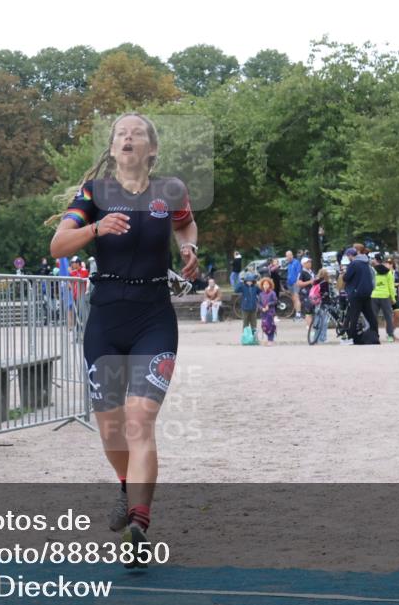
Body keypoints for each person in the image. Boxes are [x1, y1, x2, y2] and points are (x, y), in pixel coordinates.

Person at [49, 112, 198, 566]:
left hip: (154, 317)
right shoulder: (94, 194)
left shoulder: (169, 192)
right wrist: (96, 227)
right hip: (105, 320)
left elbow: (185, 225)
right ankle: (124, 485)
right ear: (112, 150)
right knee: (112, 429)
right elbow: (58, 245)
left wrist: (190, 248)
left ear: (151, 149)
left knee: (140, 421)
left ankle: (139, 524)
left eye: (137, 133)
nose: (127, 137)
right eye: (120, 133)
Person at [342, 247, 377, 345]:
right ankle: (375, 335)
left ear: (350, 255)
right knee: (370, 315)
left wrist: (344, 273)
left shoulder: (353, 264)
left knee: (354, 316)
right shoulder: (366, 263)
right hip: (366, 292)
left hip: (356, 293)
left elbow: (346, 278)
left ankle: (351, 338)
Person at [370, 252, 398, 342]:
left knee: (373, 317)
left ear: (375, 260)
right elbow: (391, 286)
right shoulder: (388, 272)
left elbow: (370, 283)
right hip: (385, 296)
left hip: (374, 295)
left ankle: (374, 335)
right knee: (388, 317)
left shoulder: (372, 270)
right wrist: (393, 298)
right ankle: (390, 335)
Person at [235, 272, 260, 339]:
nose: (249, 282)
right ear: (245, 281)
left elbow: (261, 292)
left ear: (253, 281)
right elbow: (236, 290)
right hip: (245, 308)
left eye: (251, 281)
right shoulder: (243, 287)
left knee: (254, 324)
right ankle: (245, 337)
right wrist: (240, 282)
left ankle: (254, 337)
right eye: (248, 281)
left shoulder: (255, 287)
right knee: (245, 324)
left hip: (253, 308)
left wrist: (258, 283)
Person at [257, 276, 278, 346]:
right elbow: (258, 303)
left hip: (270, 312)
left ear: (270, 285)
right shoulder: (261, 294)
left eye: (267, 284)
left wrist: (269, 305)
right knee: (264, 326)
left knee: (271, 326)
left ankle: (270, 340)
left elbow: (275, 301)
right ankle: (268, 338)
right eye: (264, 284)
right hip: (263, 313)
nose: (266, 286)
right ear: (262, 285)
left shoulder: (272, 293)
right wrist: (261, 308)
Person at [284, 250, 303, 320]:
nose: (287, 257)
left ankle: (299, 314)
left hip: (295, 283)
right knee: (294, 299)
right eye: (286, 256)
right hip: (290, 283)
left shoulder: (296, 262)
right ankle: (296, 313)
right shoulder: (289, 264)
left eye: (289, 255)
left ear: (292, 255)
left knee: (296, 297)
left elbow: (299, 272)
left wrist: (297, 281)